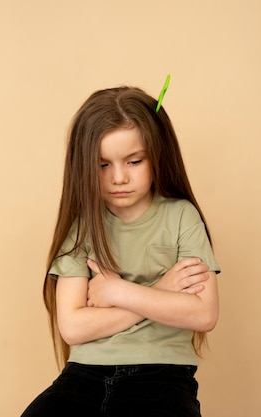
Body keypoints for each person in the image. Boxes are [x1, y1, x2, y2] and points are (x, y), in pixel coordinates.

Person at [21, 84, 220, 417]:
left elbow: (203, 314)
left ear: (157, 155)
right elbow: (72, 327)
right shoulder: (83, 227)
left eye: (134, 161)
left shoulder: (181, 216)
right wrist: (160, 291)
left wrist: (117, 291)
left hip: (162, 375)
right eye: (103, 165)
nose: (119, 178)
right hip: (86, 372)